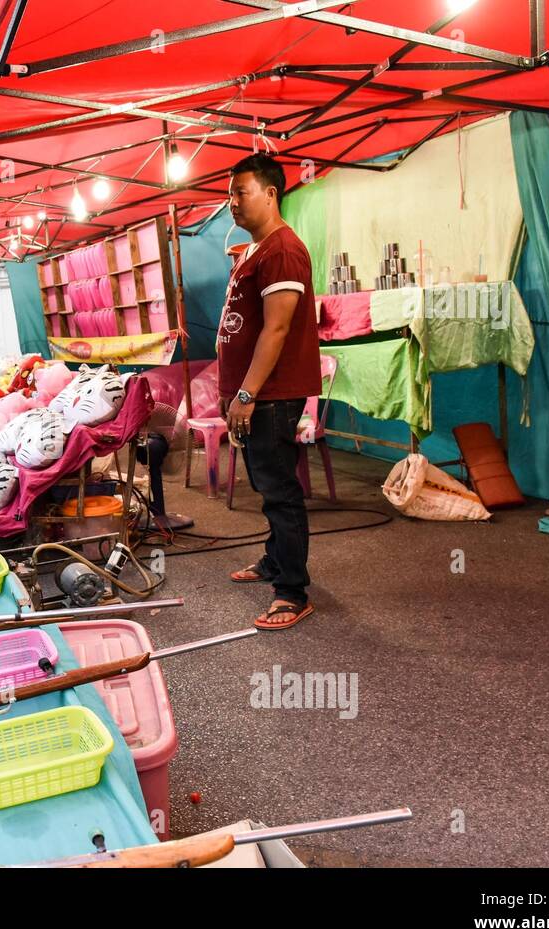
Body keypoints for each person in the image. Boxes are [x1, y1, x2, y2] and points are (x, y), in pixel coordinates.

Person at [216, 153, 321, 631]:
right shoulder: (256, 250)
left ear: (271, 193)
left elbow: (276, 330)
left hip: (273, 394)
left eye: (242, 192)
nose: (232, 202)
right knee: (266, 484)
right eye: (230, 193)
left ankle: (292, 592)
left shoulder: (282, 249)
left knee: (280, 491)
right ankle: (276, 561)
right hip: (257, 394)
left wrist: (246, 394)